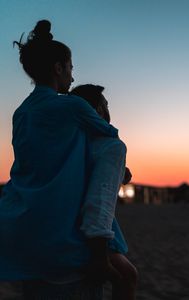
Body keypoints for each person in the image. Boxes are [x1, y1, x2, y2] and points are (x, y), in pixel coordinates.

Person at [0, 20, 127, 299]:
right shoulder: (72, 106)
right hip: (60, 227)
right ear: (58, 68)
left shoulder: (21, 112)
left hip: (21, 223)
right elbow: (110, 135)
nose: (72, 76)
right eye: (70, 68)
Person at [70, 84, 137, 299]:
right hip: (89, 224)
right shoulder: (109, 144)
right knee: (128, 275)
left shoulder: (73, 140)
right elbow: (100, 197)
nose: (108, 110)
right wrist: (99, 255)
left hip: (65, 213)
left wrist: (119, 173)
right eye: (105, 105)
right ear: (98, 109)